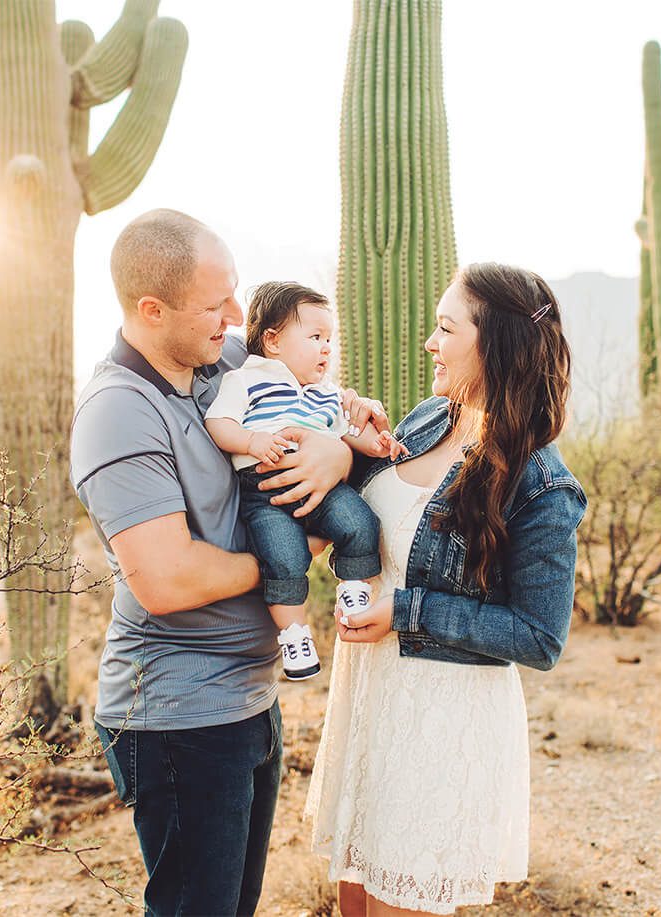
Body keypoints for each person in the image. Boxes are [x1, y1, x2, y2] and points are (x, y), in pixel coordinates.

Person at [70, 209, 388, 916]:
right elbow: (167, 577)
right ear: (152, 311)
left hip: (247, 697)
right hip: (178, 713)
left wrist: (337, 448)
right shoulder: (118, 411)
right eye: (217, 305)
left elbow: (311, 387)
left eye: (236, 293)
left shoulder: (221, 355)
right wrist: (291, 560)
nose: (238, 318)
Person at [307, 262, 586, 915]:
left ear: (494, 344)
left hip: (442, 722)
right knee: (354, 904)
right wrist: (348, 447)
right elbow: (379, 523)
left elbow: (541, 637)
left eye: (445, 328)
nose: (430, 343)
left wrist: (407, 610)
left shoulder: (541, 483)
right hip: (372, 702)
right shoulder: (432, 418)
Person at [204, 281, 402, 680]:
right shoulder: (247, 380)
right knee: (284, 558)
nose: (326, 347)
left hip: (325, 487)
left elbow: (347, 431)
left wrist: (378, 444)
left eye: (329, 338)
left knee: (362, 523)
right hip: (266, 490)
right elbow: (218, 422)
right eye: (315, 337)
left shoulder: (324, 393)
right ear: (274, 341)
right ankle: (294, 634)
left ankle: (353, 589)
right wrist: (252, 440)